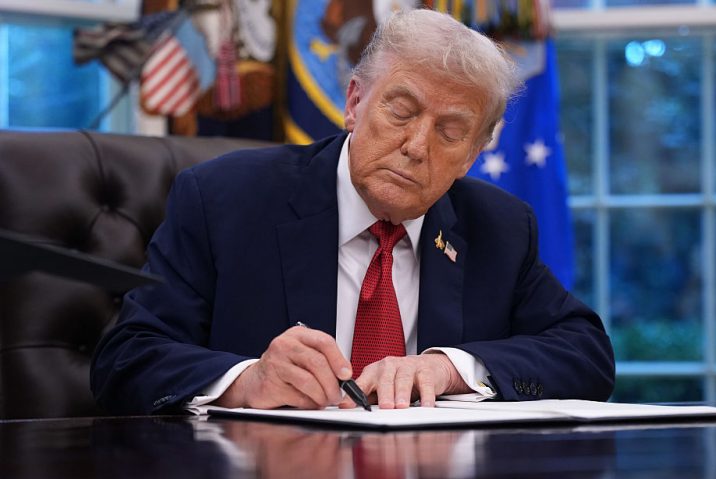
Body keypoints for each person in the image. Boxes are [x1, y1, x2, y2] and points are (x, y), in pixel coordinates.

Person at [91, 8, 614, 415]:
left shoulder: (498, 226)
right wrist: (246, 382)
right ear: (354, 103)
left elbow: (586, 353)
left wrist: (453, 369)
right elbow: (127, 359)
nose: (415, 146)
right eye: (400, 111)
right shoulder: (224, 200)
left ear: (472, 156)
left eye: (449, 132)